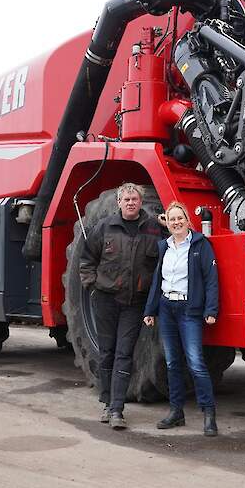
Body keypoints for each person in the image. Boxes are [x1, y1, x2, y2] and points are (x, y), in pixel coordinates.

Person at [79, 183, 164, 430]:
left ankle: (117, 409)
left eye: (134, 199)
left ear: (140, 202)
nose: (130, 203)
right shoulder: (104, 228)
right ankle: (107, 401)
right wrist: (92, 286)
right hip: (106, 299)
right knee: (107, 352)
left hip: (134, 303)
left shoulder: (153, 229)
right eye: (126, 199)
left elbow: (168, 253)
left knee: (124, 354)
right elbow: (87, 259)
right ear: (119, 202)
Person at [143, 201, 220, 437]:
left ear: (188, 220)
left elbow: (211, 279)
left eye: (180, 218)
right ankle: (176, 412)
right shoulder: (164, 247)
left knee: (196, 363)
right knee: (172, 363)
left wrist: (211, 310)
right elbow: (158, 281)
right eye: (172, 218)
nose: (176, 222)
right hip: (167, 308)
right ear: (167, 222)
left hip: (190, 310)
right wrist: (150, 310)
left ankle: (209, 415)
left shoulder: (200, 244)